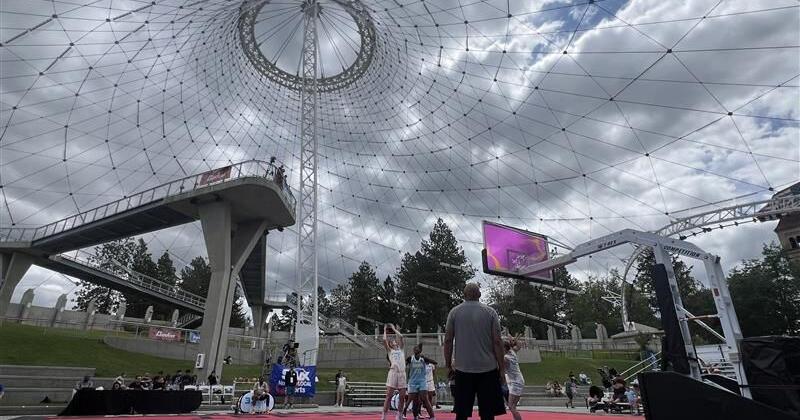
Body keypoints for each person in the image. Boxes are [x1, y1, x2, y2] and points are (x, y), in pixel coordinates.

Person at [444, 283, 506, 420]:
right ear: (479, 294)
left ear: (464, 295)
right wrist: (502, 369)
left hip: (463, 369)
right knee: (488, 414)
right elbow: (497, 341)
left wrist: (448, 365)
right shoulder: (490, 312)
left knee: (461, 413)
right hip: (488, 369)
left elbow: (448, 340)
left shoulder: (454, 312)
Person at [403, 343, 437, 420]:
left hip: (422, 381)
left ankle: (432, 416)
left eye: (417, 348)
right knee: (414, 400)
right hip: (413, 382)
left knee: (425, 398)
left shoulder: (423, 358)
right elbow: (404, 365)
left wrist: (427, 359)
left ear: (420, 351)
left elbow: (435, 362)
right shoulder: (410, 358)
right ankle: (414, 416)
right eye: (414, 348)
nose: (415, 349)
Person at [381, 323, 407, 420]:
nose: (393, 341)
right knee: (389, 396)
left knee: (402, 396)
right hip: (393, 372)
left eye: (394, 341)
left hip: (402, 373)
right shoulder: (390, 351)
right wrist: (385, 330)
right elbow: (384, 340)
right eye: (391, 341)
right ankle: (384, 416)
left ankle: (399, 415)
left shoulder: (401, 350)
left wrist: (394, 329)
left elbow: (401, 336)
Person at [503, 336, 525, 420]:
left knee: (511, 406)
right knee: (513, 406)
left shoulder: (506, 358)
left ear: (504, 348)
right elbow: (519, 344)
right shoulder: (512, 351)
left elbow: (501, 367)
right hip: (518, 380)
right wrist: (513, 340)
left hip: (516, 382)